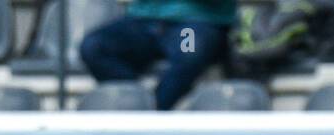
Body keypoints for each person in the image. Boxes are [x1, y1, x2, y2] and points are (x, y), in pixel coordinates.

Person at [80, 0, 236, 111]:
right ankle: (140, 102)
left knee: (189, 52)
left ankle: (155, 111)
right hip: (143, 20)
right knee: (94, 47)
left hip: (190, 23)